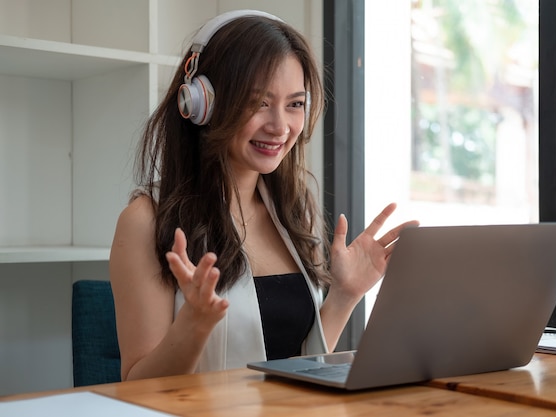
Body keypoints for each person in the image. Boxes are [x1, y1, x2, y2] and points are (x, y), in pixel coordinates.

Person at [109, 9, 418, 382]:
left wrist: (344, 296)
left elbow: (299, 368)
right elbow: (138, 386)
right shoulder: (146, 220)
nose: (279, 126)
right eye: (257, 102)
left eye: (295, 104)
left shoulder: (291, 211)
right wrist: (193, 325)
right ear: (201, 103)